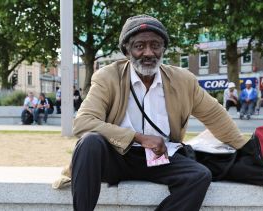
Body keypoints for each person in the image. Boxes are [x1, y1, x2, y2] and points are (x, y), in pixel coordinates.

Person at [71, 15, 248, 211]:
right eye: (139, 46)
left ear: (163, 49)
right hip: (117, 156)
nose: (148, 53)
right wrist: (139, 137)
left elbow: (216, 117)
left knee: (199, 176)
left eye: (155, 45)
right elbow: (83, 123)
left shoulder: (183, 80)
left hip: (159, 157)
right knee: (90, 142)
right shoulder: (107, 77)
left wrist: (246, 149)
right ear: (127, 51)